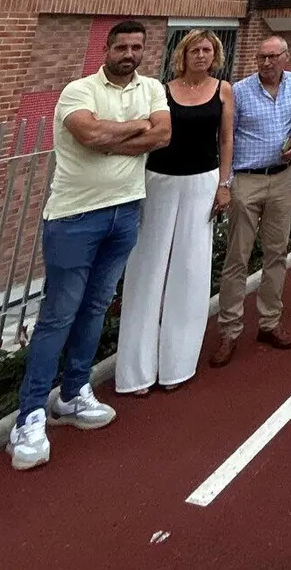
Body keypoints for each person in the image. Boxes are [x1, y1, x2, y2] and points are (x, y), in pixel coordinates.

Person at [9, 20, 171, 470]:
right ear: (106, 48)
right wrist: (132, 130)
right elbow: (89, 135)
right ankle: (30, 416)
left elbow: (162, 136)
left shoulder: (153, 88)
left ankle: (74, 392)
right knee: (57, 315)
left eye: (137, 47)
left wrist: (116, 134)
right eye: (122, 46)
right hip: (75, 217)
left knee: (96, 307)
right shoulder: (78, 90)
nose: (130, 53)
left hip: (126, 212)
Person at [115, 29, 234, 396]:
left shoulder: (223, 90)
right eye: (195, 50)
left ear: (215, 56)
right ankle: (135, 371)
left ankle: (178, 365)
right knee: (146, 269)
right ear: (182, 54)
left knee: (191, 269)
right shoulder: (161, 90)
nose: (202, 55)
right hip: (160, 181)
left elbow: (226, 138)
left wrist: (224, 183)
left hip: (203, 182)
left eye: (208, 50)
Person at [210, 35, 291, 367]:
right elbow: (226, 137)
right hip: (247, 181)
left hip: (282, 179)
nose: (266, 63)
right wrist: (225, 183)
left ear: (286, 57)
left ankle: (269, 323)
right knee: (237, 257)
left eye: (272, 57)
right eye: (261, 58)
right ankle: (229, 330)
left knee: (276, 254)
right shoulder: (239, 91)